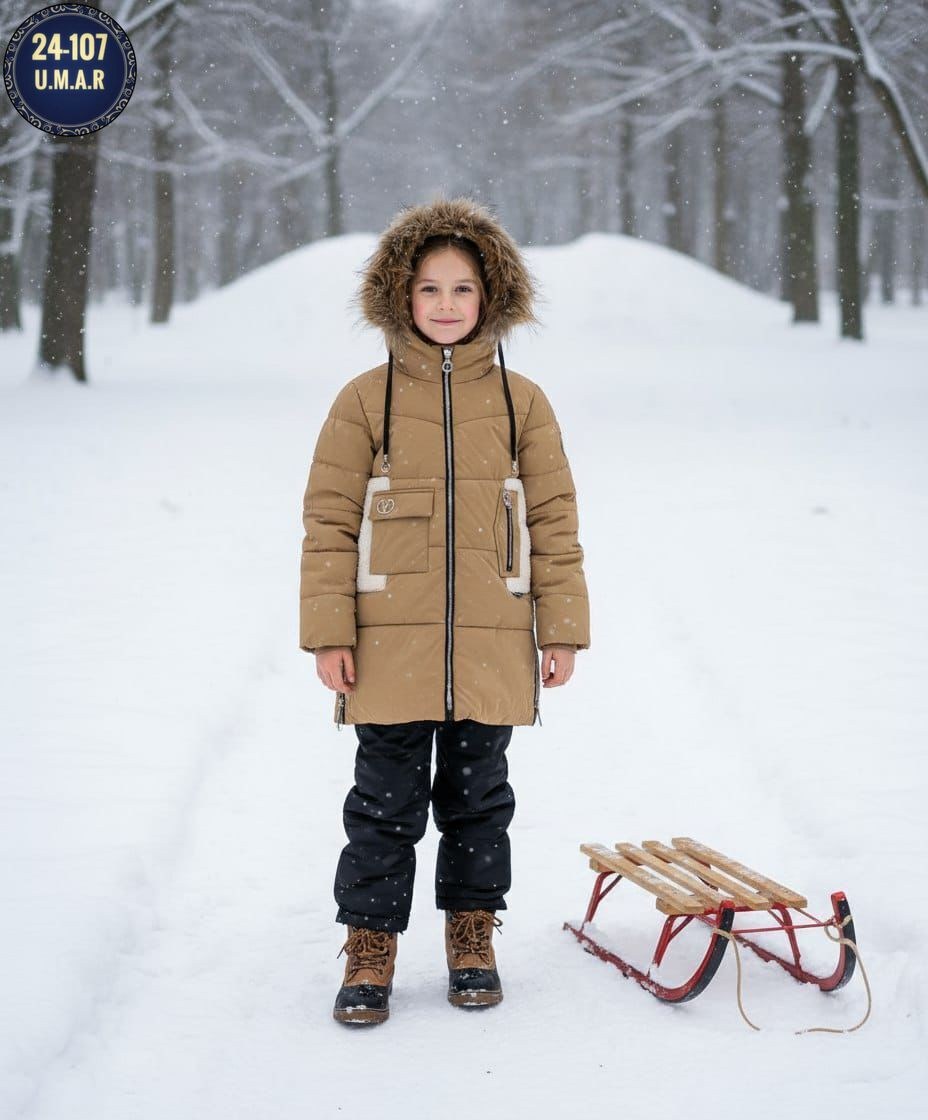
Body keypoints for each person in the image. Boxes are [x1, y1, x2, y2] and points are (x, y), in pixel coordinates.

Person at [299, 195, 590, 1025]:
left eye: (464, 289)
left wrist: (561, 627)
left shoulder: (523, 402)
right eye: (430, 289)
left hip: (493, 642)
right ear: (401, 295)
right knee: (383, 806)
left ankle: (472, 932)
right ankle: (369, 945)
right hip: (388, 646)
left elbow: (554, 520)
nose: (448, 305)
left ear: (492, 296)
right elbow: (328, 520)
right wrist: (329, 632)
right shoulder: (366, 399)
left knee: (478, 800)